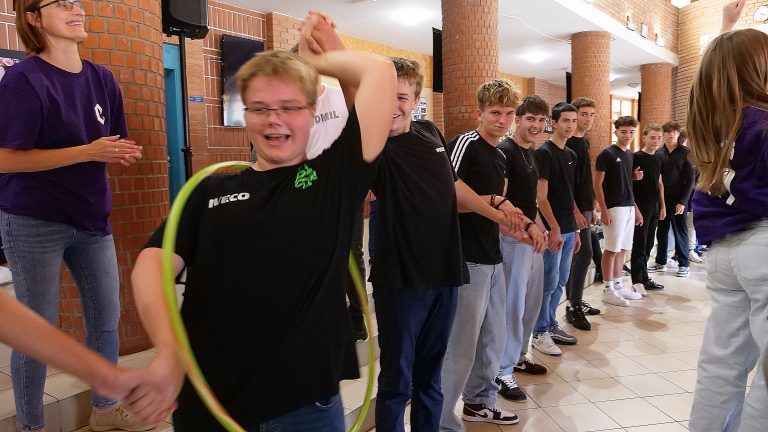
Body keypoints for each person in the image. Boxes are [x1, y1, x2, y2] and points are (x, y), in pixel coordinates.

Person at [130, 14, 397, 432]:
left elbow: (380, 73)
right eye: (261, 108)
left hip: (304, 408)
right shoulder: (210, 189)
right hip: (210, 400)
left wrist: (319, 61)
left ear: (312, 112)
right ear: (247, 115)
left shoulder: (332, 179)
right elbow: (151, 265)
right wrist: (167, 348)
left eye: (289, 107)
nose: (275, 119)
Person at [0, 1, 148, 430]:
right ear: (33, 17)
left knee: (106, 318)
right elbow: (6, 159)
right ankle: (31, 426)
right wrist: (87, 152)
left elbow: (112, 142)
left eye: (77, 1)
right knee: (37, 331)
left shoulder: (102, 78)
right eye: (61, 2)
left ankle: (104, 409)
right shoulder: (23, 80)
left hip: (92, 218)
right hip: (33, 220)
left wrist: (120, 153)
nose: (75, 8)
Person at [371, 58, 519, 432]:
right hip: (402, 279)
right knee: (396, 381)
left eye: (400, 96)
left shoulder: (428, 131)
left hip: (446, 272)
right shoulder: (372, 144)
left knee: (431, 376)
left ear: (415, 100)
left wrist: (500, 213)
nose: (392, 105)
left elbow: (453, 188)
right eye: (383, 95)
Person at [687, 28, 768, 432]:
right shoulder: (762, 121)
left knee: (721, 367)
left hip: (723, 252)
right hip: (762, 242)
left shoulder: (712, 124)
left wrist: (726, 25)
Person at [440, 79, 524, 430]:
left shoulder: (501, 155)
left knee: (493, 338)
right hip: (466, 258)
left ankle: (479, 403)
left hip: (492, 257)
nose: (502, 120)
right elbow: (448, 195)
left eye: (509, 113)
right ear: (480, 113)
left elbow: (495, 203)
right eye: (495, 112)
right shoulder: (465, 143)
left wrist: (519, 224)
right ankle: (441, 419)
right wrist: (496, 207)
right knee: (460, 347)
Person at [495, 95, 549, 404]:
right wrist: (524, 232)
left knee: (531, 303)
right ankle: (502, 369)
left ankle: (518, 356)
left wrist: (542, 229)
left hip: (532, 238)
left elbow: (532, 202)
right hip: (513, 240)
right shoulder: (506, 151)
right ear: (518, 120)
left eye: (541, 120)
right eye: (530, 119)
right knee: (512, 306)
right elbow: (501, 203)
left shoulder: (532, 152)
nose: (536, 125)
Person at [531, 102, 582, 357]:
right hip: (554, 229)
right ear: (554, 122)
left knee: (561, 280)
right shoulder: (544, 153)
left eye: (573, 121)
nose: (570, 126)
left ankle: (550, 324)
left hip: (568, 228)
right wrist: (554, 228)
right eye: (565, 121)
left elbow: (569, 194)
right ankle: (539, 332)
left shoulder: (571, 154)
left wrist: (576, 229)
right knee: (548, 282)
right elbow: (541, 198)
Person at [595, 116, 644, 307]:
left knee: (623, 249)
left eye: (631, 132)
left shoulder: (630, 155)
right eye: (623, 131)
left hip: (628, 206)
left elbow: (626, 184)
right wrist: (603, 210)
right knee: (611, 249)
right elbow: (597, 184)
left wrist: (636, 209)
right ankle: (608, 289)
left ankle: (618, 285)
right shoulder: (607, 154)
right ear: (615, 132)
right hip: (614, 207)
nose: (628, 135)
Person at [564, 97, 600, 331]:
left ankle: (575, 301)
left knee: (582, 255)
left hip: (585, 206)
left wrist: (592, 205)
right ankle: (573, 305)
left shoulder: (583, 141)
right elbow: (567, 184)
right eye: (583, 114)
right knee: (583, 254)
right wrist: (577, 211)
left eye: (591, 115)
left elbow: (585, 178)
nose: (588, 119)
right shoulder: (569, 145)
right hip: (574, 208)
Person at [650, 121, 694, 277]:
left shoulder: (686, 152)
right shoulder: (659, 153)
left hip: (679, 198)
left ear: (678, 134)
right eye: (668, 132)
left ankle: (684, 264)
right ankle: (661, 261)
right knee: (662, 230)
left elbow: (691, 180)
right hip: (662, 198)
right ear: (664, 134)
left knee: (680, 230)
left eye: (674, 132)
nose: (671, 134)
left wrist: (683, 202)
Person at [630, 124, 666, 293]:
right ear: (644, 138)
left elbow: (659, 183)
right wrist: (635, 208)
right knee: (640, 243)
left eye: (659, 138)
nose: (656, 141)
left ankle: (644, 277)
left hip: (654, 205)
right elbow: (628, 184)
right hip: (641, 206)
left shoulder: (658, 158)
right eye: (652, 137)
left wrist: (662, 205)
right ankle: (637, 280)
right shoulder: (636, 157)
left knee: (649, 243)